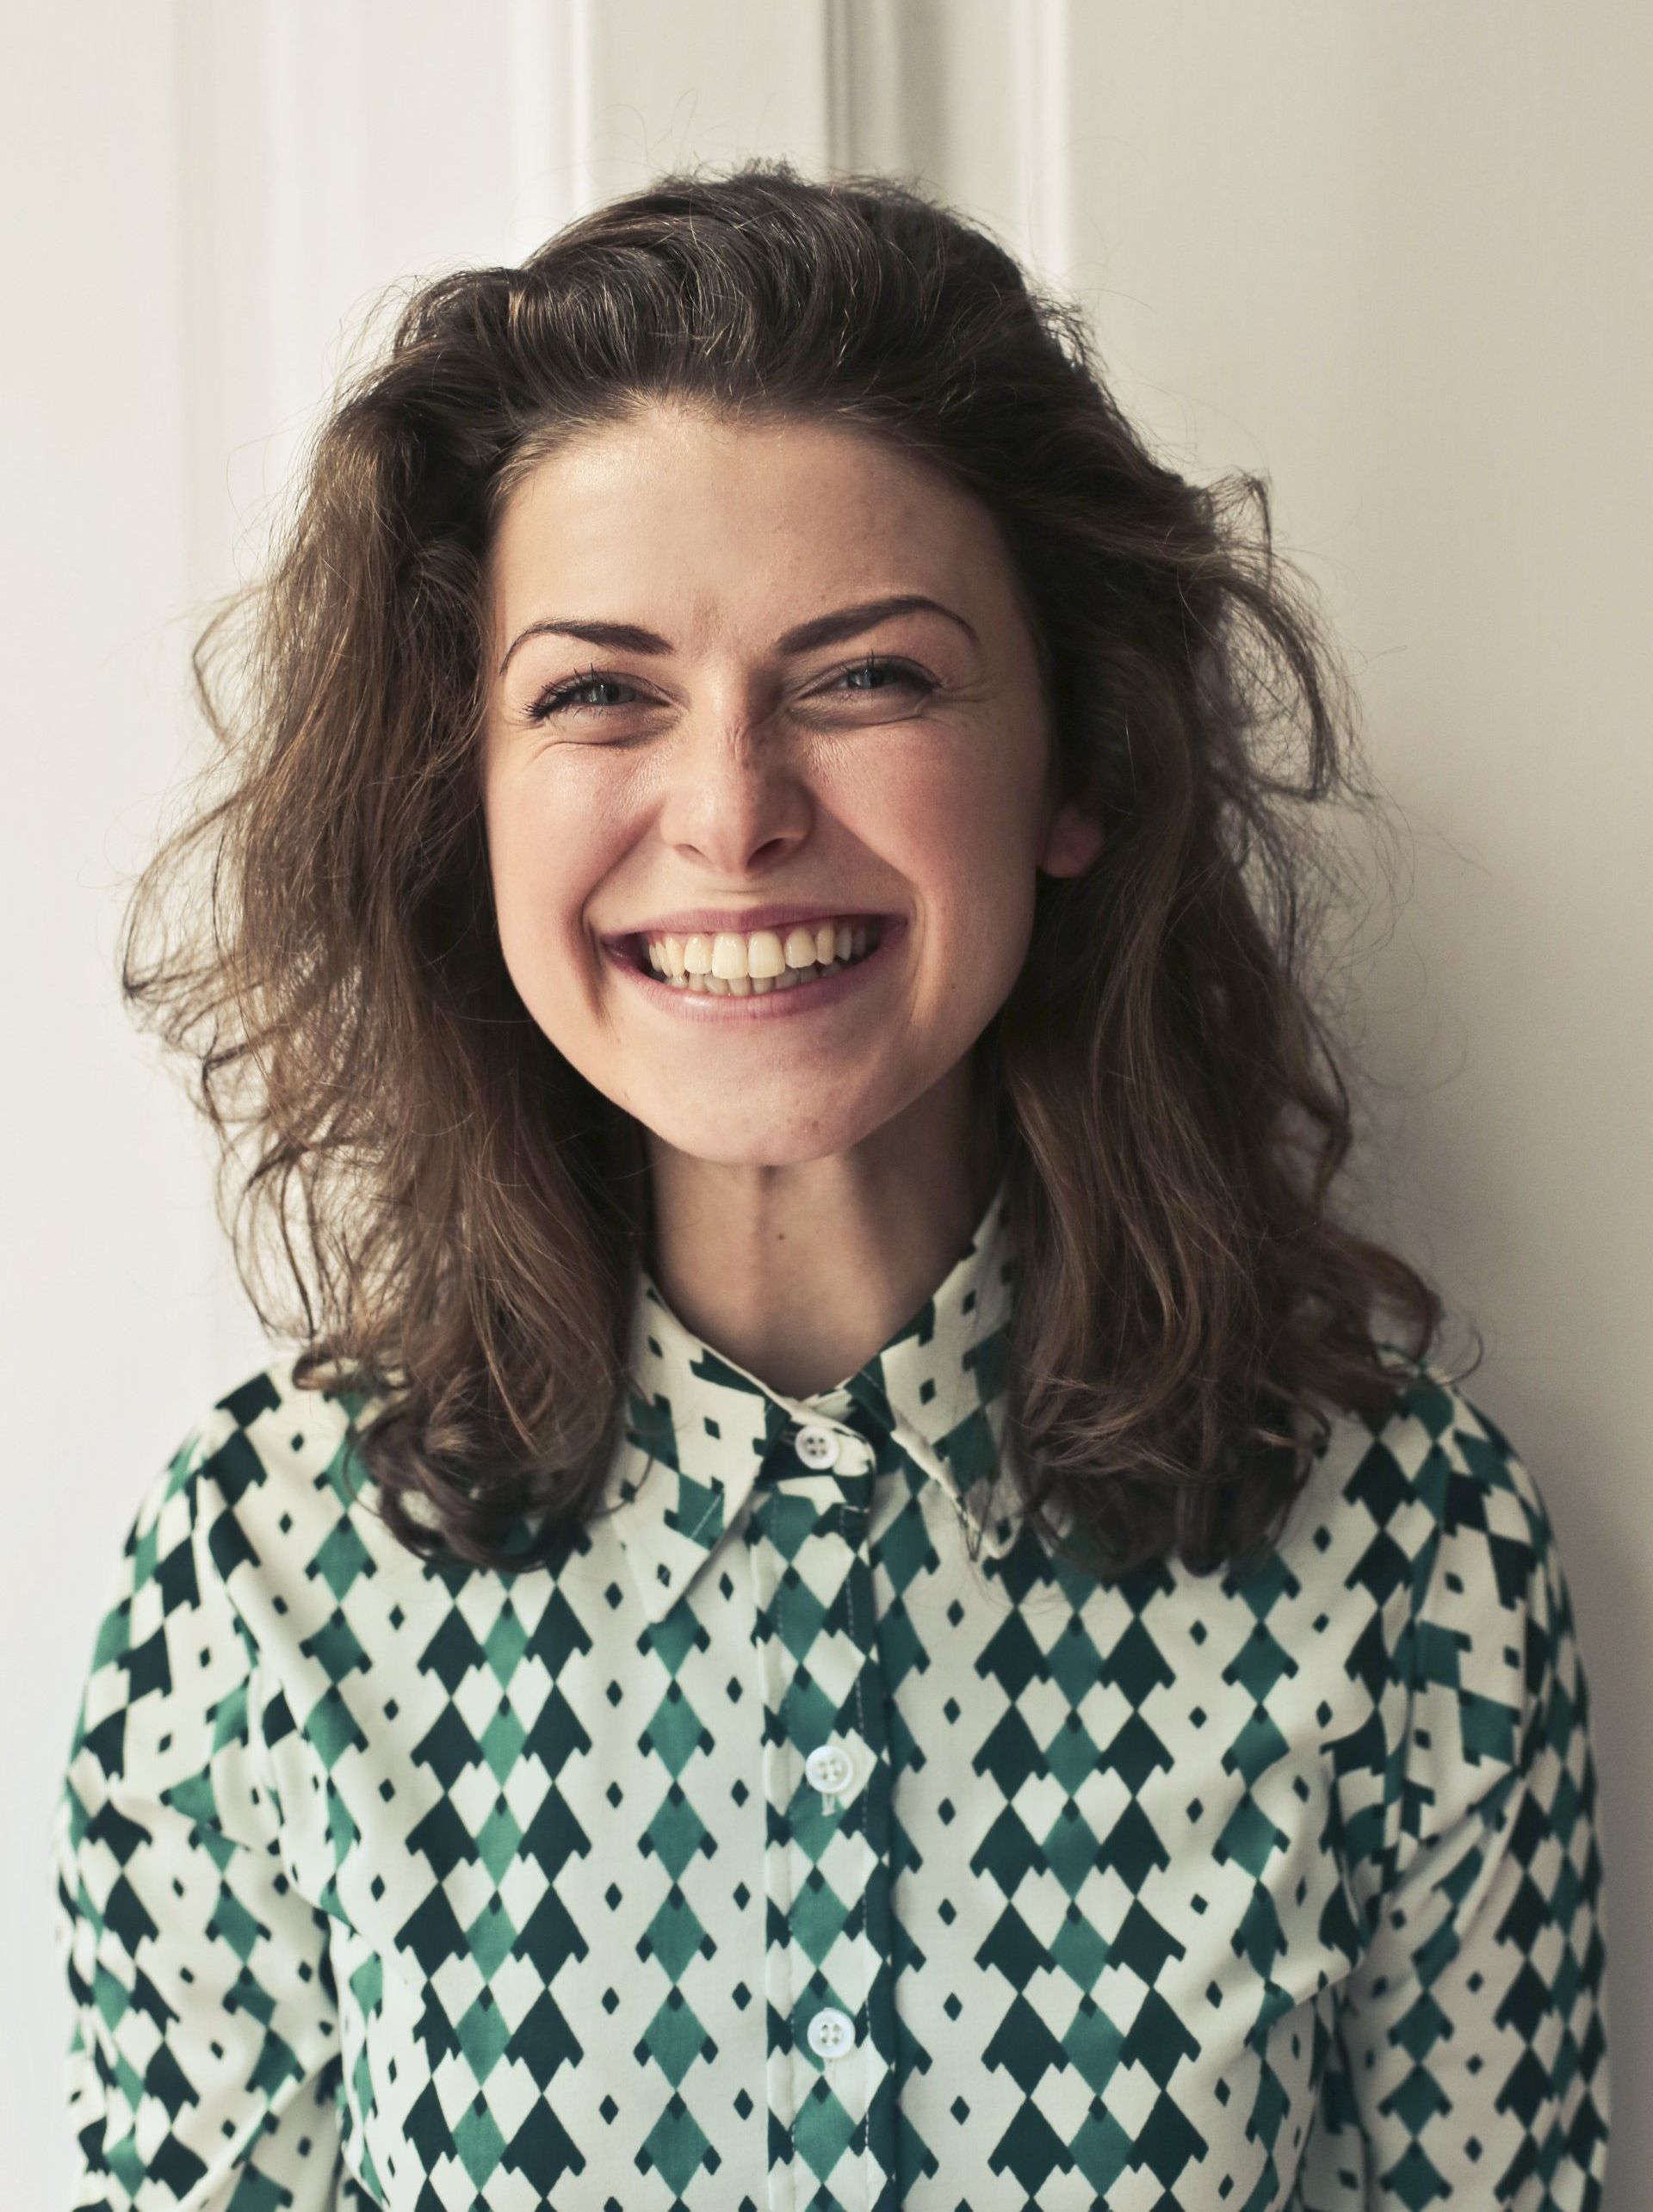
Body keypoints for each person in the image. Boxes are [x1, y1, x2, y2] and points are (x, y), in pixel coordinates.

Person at [52, 159, 1609, 2210]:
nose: (732, 812)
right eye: (601, 691)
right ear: (468, 798)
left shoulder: (1411, 1560)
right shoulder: (250, 1576)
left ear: (1079, 771)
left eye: (868, 675)